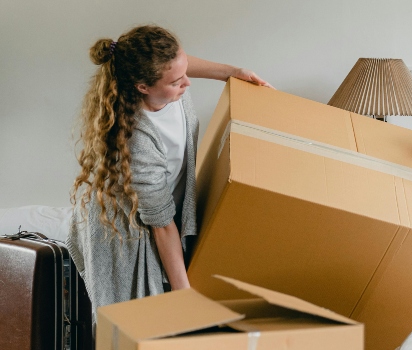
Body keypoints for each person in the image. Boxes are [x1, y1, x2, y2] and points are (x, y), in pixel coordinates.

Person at [67, 25, 273, 315]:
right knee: (141, 320)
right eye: (177, 81)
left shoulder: (168, 88)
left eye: (184, 71)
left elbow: (179, 64)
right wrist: (183, 294)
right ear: (143, 87)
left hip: (160, 214)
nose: (187, 83)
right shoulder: (136, 140)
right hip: (126, 233)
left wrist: (233, 71)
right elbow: (162, 225)